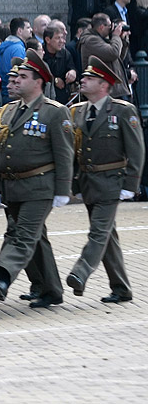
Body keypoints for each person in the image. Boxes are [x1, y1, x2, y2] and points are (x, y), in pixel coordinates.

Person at [0, 51, 73, 309]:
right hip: (14, 186)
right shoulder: (10, 111)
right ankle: (51, 290)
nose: (16, 81)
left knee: (22, 234)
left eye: (23, 77)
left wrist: (63, 189)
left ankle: (2, 274)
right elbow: (3, 149)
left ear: (38, 82)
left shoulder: (55, 113)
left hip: (40, 185)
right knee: (37, 239)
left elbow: (65, 152)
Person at [66, 57, 143, 304]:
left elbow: (136, 150)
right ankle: (121, 288)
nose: (83, 81)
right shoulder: (78, 111)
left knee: (98, 232)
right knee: (108, 237)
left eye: (89, 79)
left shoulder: (122, 111)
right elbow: (76, 149)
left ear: (104, 85)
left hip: (112, 181)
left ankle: (80, 272)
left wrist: (130, 185)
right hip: (89, 181)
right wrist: (75, 182)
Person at [78, 13, 132, 99]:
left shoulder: (101, 39)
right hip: (105, 91)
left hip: (115, 90)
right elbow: (114, 53)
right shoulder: (91, 40)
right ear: (102, 27)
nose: (111, 28)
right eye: (109, 26)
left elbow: (117, 59)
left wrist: (123, 40)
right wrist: (115, 36)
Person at [43, 24, 79, 104]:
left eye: (62, 38)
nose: (62, 41)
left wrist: (72, 72)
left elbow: (71, 67)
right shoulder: (41, 53)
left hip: (62, 99)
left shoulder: (65, 54)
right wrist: (54, 79)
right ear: (48, 40)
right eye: (57, 38)